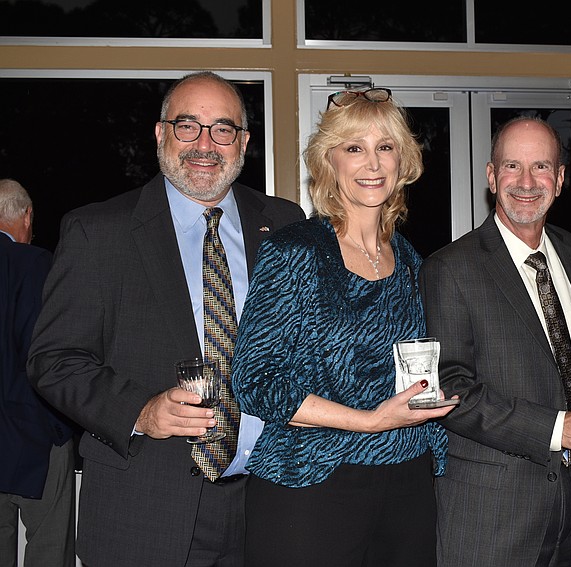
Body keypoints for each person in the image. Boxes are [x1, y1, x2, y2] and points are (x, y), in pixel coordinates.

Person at [27, 71, 305, 567]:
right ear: (160, 134)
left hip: (271, 504)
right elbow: (54, 360)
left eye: (223, 129)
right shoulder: (99, 231)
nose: (205, 144)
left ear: (243, 143)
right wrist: (141, 412)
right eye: (187, 126)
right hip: (145, 509)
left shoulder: (285, 224)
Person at [231, 87, 454, 567]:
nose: (372, 163)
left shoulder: (414, 260)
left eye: (385, 147)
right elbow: (255, 383)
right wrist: (370, 421)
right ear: (329, 161)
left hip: (407, 483)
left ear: (403, 160)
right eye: (355, 148)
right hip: (310, 486)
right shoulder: (295, 252)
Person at [419, 117, 571, 567]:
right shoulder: (450, 268)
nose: (527, 182)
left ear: (561, 179)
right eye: (512, 166)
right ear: (491, 177)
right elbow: (450, 388)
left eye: (541, 167)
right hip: (496, 513)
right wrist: (559, 428)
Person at [0, 179, 76, 567]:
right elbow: (48, 354)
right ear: (27, 216)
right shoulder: (35, 264)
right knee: (49, 550)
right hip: (34, 435)